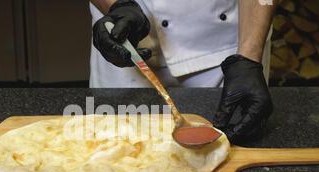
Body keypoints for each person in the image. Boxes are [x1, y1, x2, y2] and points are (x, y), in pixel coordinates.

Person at [89, 0, 277, 143]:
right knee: (113, 151)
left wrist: (248, 56)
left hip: (230, 50)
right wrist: (118, 5)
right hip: (124, 40)